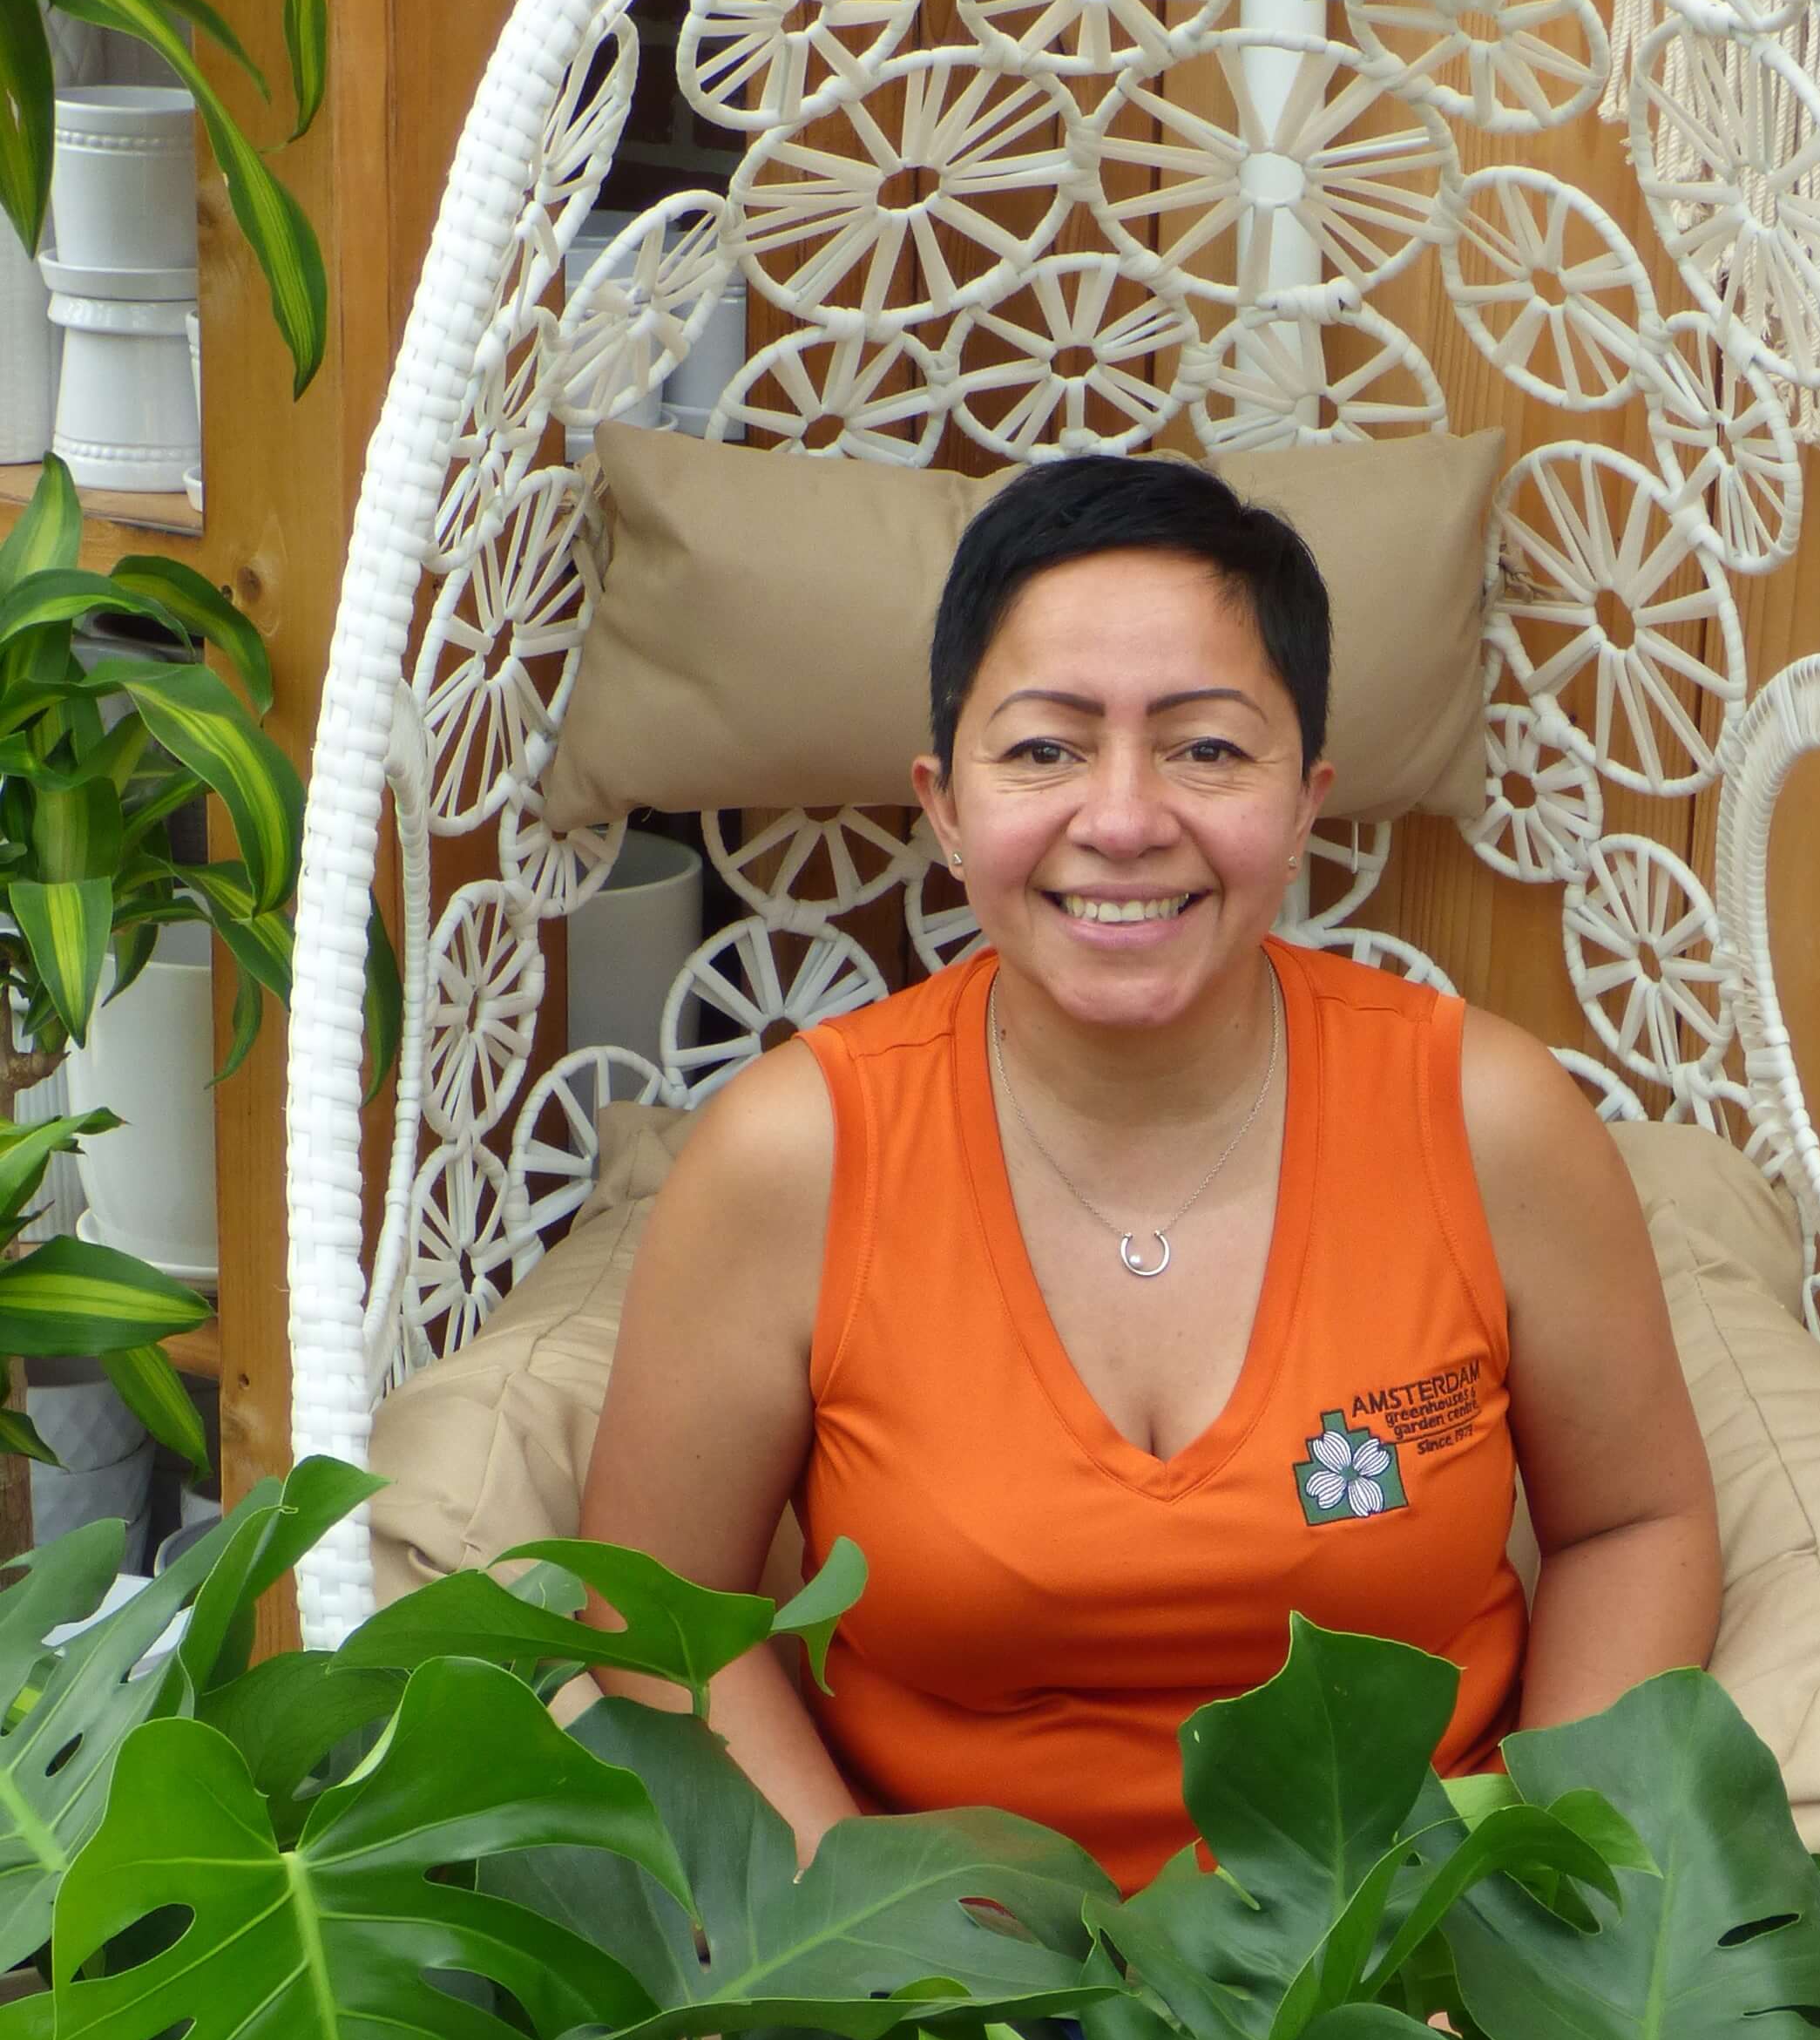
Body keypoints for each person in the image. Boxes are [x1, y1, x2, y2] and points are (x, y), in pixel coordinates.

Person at [580, 456, 1719, 1891]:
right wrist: (861, 1942)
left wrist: (1553, 1908)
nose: (1121, 820)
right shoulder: (791, 1158)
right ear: (943, 803)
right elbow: (652, 1608)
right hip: (948, 1990)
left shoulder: (1488, 1119)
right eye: (1046, 749)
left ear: (1305, 800)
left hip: (1408, 1967)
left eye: (1204, 749)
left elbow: (1633, 1522)